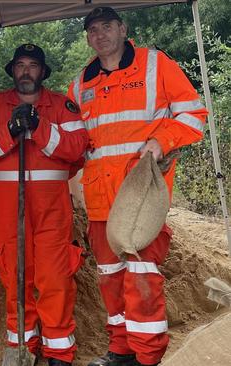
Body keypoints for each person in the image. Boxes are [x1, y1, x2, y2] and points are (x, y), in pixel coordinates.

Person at [68, 7, 207, 366]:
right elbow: (76, 140)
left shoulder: (155, 64)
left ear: (123, 28)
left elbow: (194, 114)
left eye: (106, 26)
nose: (99, 34)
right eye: (92, 30)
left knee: (142, 278)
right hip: (100, 197)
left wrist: (162, 140)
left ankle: (148, 357)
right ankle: (122, 351)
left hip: (142, 196)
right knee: (110, 278)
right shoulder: (81, 82)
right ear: (88, 37)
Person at [0, 43, 89, 366]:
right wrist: (11, 131)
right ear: (13, 70)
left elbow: (78, 148)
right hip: (9, 212)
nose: (26, 71)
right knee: (15, 278)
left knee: (55, 278)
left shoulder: (62, 106)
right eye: (21, 65)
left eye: (33, 65)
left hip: (52, 210)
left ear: (43, 71)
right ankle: (22, 344)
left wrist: (39, 128)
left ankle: (58, 352)